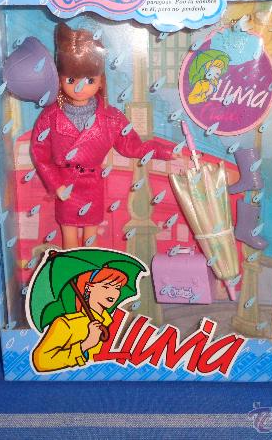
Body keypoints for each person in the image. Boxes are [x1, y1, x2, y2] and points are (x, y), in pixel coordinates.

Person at [30, 22, 177, 248]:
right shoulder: (50, 116)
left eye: (89, 80)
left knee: (91, 235)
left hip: (92, 184)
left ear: (100, 81)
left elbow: (133, 146)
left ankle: (91, 268)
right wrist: (56, 184)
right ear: (60, 79)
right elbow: (40, 154)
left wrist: (168, 151)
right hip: (66, 183)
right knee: (68, 234)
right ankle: (70, 268)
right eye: (71, 80)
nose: (79, 88)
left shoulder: (111, 118)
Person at [31, 266, 127, 372]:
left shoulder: (114, 322)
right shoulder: (67, 323)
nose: (113, 293)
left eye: (117, 288)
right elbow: (40, 361)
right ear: (89, 287)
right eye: (106, 286)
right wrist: (85, 344)